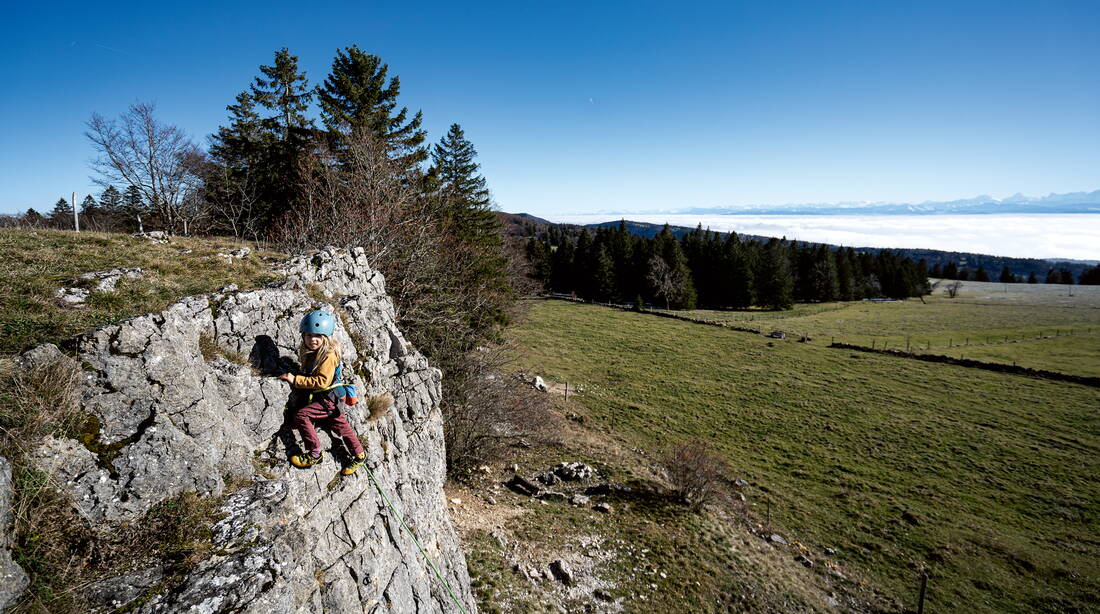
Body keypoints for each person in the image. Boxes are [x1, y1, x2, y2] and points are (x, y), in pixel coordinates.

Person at [279, 309, 367, 475]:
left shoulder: (328, 355)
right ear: (303, 335)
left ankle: (314, 454)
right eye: (309, 335)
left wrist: (294, 379)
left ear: (326, 337)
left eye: (318, 336)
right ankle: (359, 455)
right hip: (331, 397)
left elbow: (321, 381)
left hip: (328, 398)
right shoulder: (316, 352)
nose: (313, 340)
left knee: (301, 416)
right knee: (340, 426)